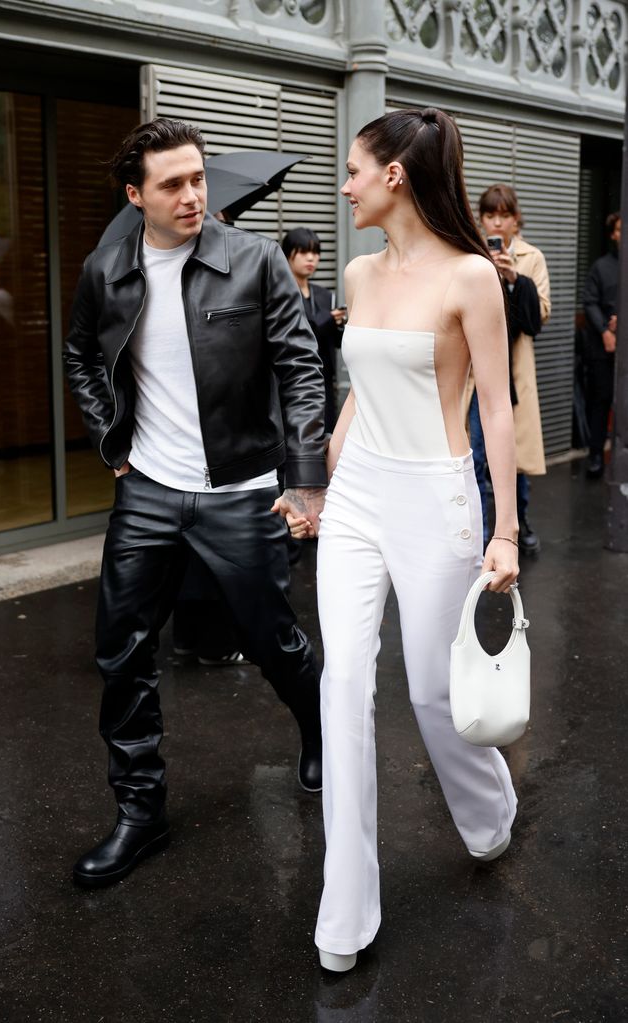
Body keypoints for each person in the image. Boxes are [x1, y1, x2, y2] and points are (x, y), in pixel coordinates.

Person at [282, 108, 519, 973]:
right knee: (341, 685)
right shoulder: (357, 269)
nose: (342, 184)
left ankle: (490, 814)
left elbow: (495, 406)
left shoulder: (470, 278)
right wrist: (317, 487)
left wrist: (505, 531)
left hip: (435, 497)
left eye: (351, 168)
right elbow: (357, 394)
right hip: (358, 498)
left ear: (393, 176)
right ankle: (343, 916)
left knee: (430, 691)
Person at [64, 117, 327, 888]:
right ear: (134, 194)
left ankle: (319, 730)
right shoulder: (105, 269)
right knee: (121, 652)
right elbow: (81, 353)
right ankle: (139, 814)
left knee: (270, 637)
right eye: (171, 183)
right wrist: (110, 444)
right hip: (147, 489)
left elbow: (300, 368)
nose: (190, 195)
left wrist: (304, 479)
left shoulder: (253, 261)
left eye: (197, 178)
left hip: (240, 491)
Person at [467, 185, 550, 553]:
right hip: (473, 373)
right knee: (477, 454)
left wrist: (516, 280)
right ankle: (484, 528)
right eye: (489, 215)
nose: (497, 222)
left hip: (513, 372)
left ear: (516, 219)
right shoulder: (470, 252)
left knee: (512, 456)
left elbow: (541, 315)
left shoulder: (531, 257)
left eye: (504, 215)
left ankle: (518, 522)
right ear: (480, 218)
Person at [281, 228, 346, 432]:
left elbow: (336, 342)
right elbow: (293, 335)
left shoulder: (325, 295)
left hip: (324, 380)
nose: (311, 258)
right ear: (287, 254)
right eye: (302, 252)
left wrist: (340, 325)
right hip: (291, 382)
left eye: (316, 252)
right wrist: (327, 319)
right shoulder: (280, 293)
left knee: (326, 437)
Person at [582, 211, 620, 479]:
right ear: (612, 235)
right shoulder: (601, 266)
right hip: (602, 347)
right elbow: (590, 301)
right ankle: (595, 455)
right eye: (619, 230)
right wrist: (606, 329)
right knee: (601, 399)